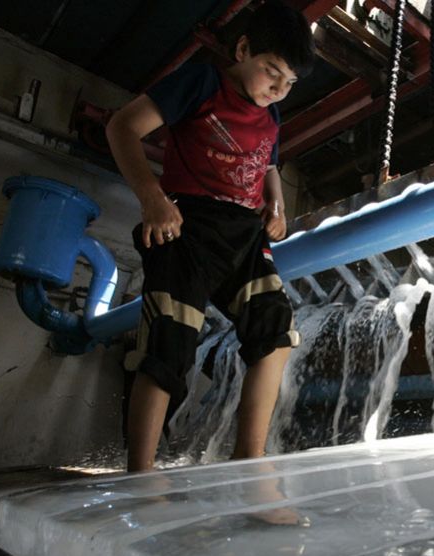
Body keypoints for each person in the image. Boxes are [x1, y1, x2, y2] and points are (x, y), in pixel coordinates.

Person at [105, 1, 315, 472]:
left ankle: (249, 461)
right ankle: (141, 473)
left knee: (276, 331)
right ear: (242, 49)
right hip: (186, 225)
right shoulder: (202, 82)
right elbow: (122, 126)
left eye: (289, 83)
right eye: (271, 71)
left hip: (244, 236)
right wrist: (152, 198)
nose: (278, 89)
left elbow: (269, 163)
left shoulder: (272, 115)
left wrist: (277, 205)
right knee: (169, 341)